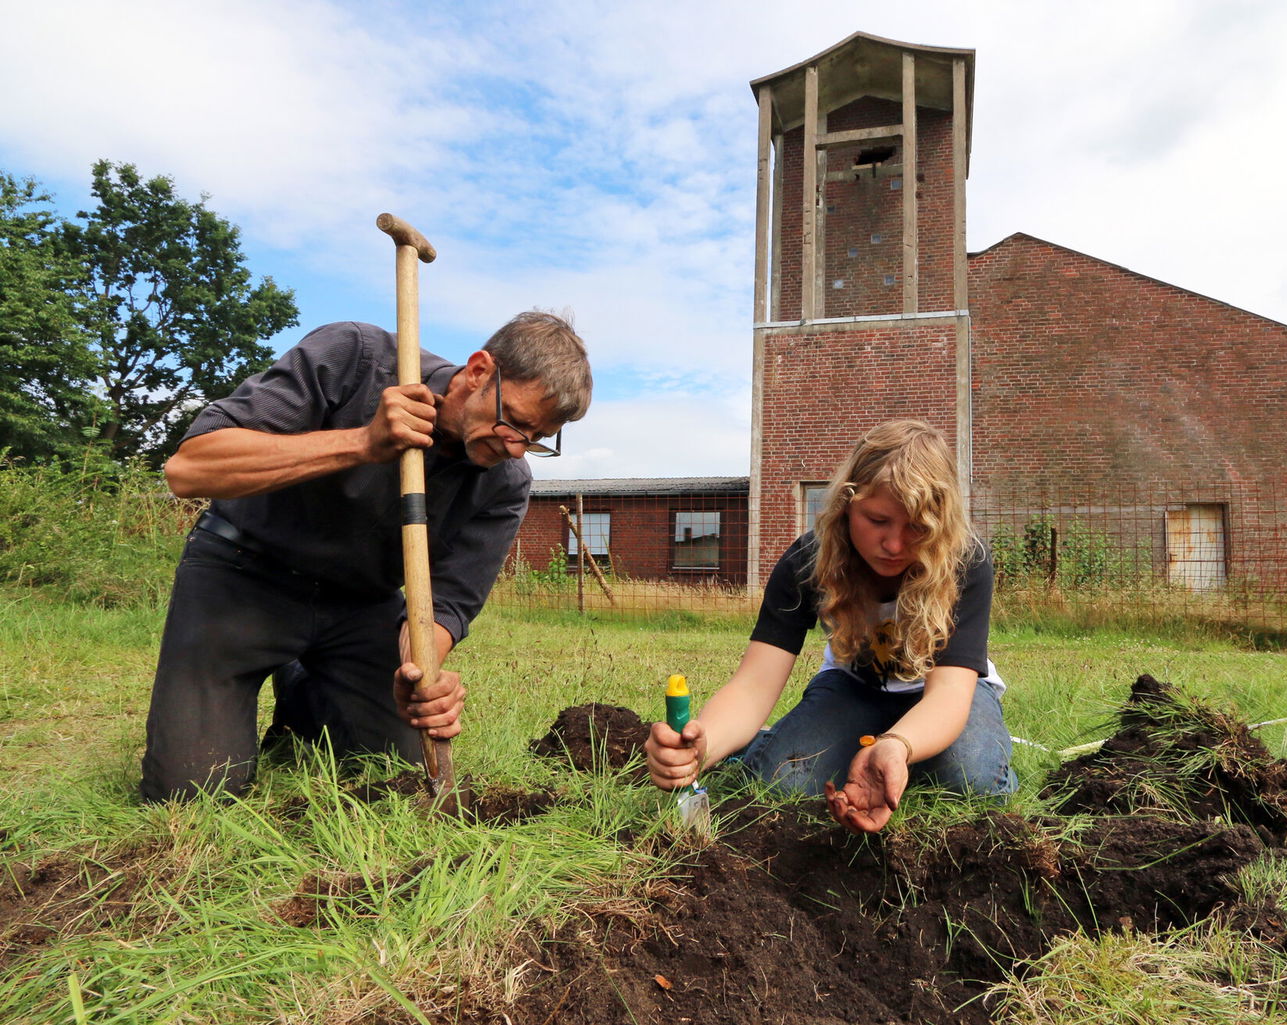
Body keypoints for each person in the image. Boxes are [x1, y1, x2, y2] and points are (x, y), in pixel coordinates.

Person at [139, 312, 591, 802]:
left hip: (361, 605)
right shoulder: (355, 357)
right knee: (193, 789)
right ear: (480, 371)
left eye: (535, 439)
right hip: (242, 573)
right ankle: (247, 685)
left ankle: (304, 694)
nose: (517, 448)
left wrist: (420, 672)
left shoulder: (506, 483)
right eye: (515, 422)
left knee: (398, 767)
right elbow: (191, 469)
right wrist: (362, 442)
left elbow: (449, 602)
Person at [645, 419, 1016, 833]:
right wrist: (702, 748)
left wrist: (897, 746)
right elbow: (753, 685)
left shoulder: (965, 560)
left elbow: (949, 695)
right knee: (783, 781)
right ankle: (771, 740)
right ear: (846, 504)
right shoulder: (808, 560)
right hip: (853, 688)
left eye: (916, 526)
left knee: (974, 781)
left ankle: (904, 753)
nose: (894, 544)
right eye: (877, 520)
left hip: (945, 696)